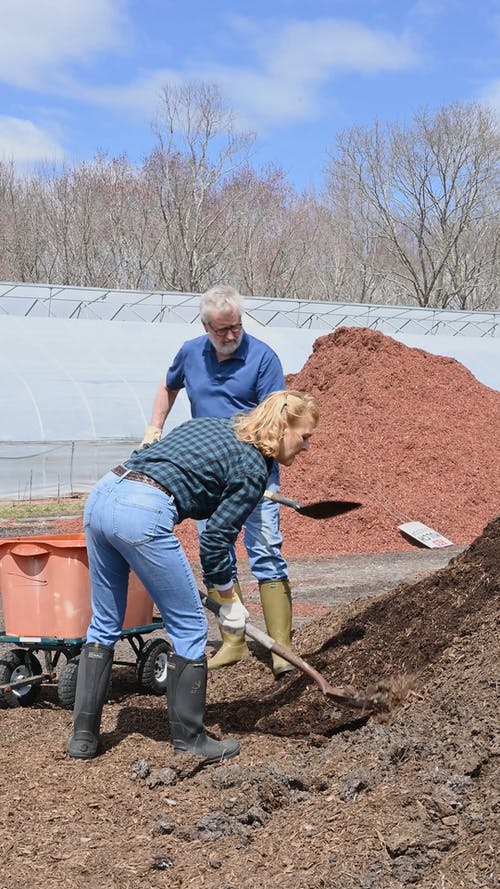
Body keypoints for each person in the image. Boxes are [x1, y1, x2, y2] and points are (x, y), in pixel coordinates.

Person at [67, 390, 319, 764]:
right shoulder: (253, 467)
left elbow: (168, 465)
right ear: (283, 428)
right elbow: (216, 541)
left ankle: (82, 739)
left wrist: (236, 491)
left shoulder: (211, 427)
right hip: (144, 513)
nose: (306, 447)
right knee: (188, 627)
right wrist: (228, 600)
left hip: (105, 495)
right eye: (305, 436)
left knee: (104, 622)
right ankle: (191, 741)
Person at [141, 284, 295, 678]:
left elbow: (277, 417)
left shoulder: (262, 358)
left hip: (255, 474)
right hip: (208, 478)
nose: (231, 335)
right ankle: (234, 641)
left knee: (265, 553)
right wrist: (154, 427)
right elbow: (168, 384)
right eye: (223, 329)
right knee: (217, 553)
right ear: (206, 326)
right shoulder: (191, 352)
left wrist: (261, 469)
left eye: (237, 327)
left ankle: (282, 648)